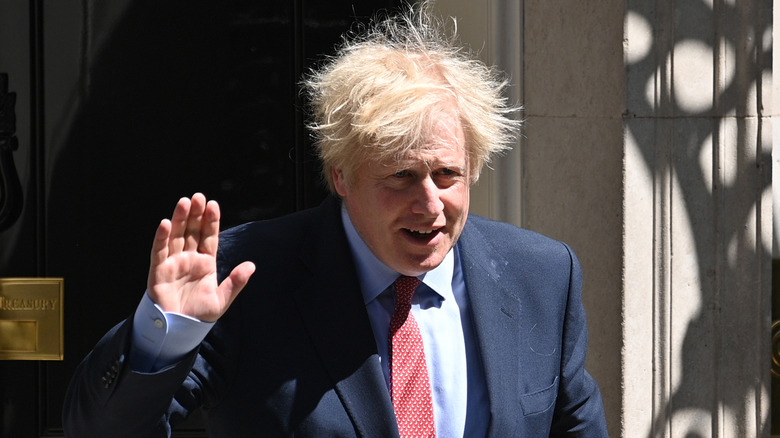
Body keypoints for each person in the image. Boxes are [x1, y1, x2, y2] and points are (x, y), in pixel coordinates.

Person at [63, 2, 608, 437]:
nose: (430, 204)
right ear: (341, 177)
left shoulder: (540, 275)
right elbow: (103, 429)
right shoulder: (243, 280)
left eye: (447, 174)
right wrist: (169, 333)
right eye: (399, 177)